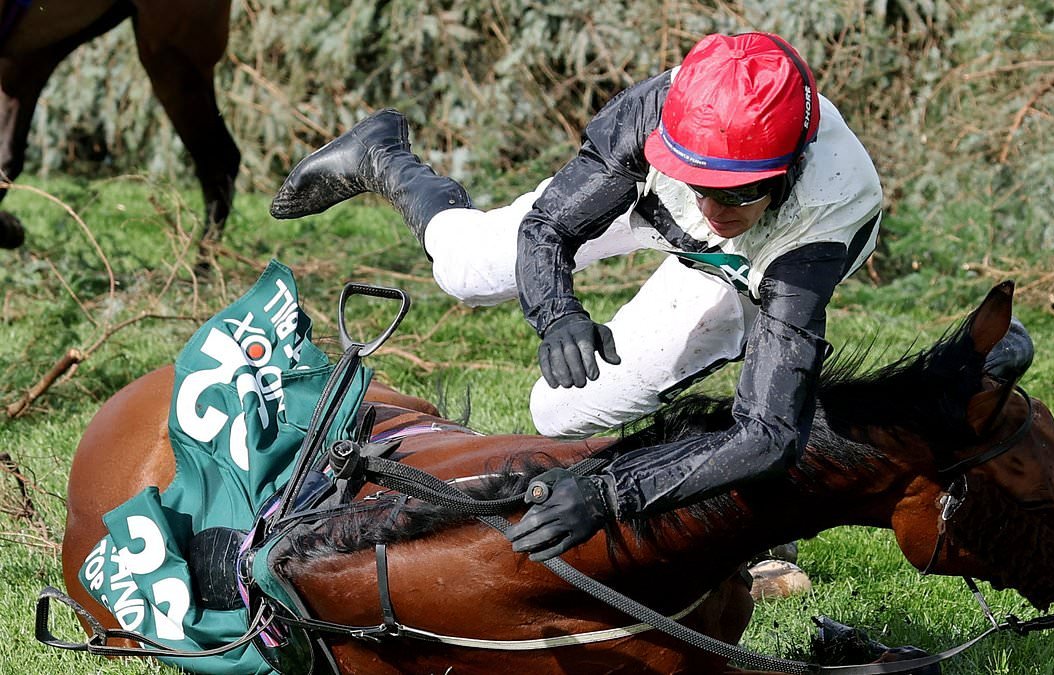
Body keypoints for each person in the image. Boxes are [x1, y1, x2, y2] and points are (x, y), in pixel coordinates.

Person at [273, 32, 884, 561]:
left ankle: (755, 533)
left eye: (736, 194)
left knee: (562, 412)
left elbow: (773, 433)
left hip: (753, 265)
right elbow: (548, 229)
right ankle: (382, 154)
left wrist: (611, 494)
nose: (709, 209)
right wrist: (558, 313)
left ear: (788, 170)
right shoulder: (661, 111)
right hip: (649, 199)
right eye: (698, 184)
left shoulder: (821, 222)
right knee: (465, 271)